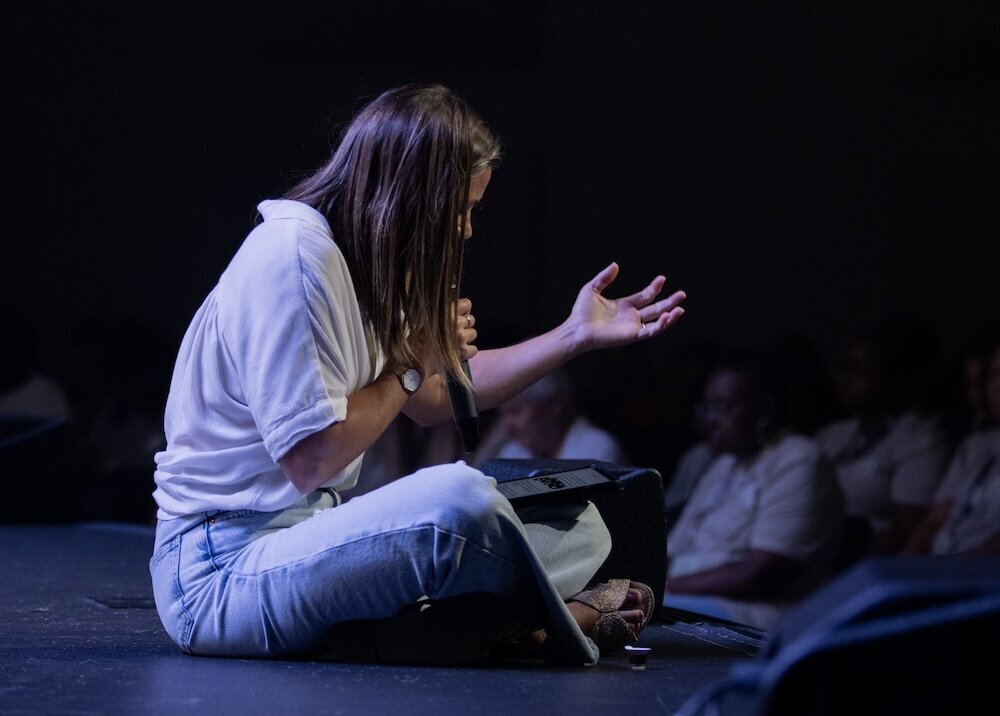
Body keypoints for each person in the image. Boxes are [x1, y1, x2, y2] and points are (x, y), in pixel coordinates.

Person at [149, 83, 687, 667]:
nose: (465, 230)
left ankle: (457, 628)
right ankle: (543, 626)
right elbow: (311, 459)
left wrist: (572, 336)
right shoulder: (294, 259)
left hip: (312, 540)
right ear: (410, 195)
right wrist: (410, 362)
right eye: (461, 209)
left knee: (581, 526)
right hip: (220, 572)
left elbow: (435, 398)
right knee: (457, 497)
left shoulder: (366, 259)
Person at [662, 349, 845, 631]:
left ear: (765, 408)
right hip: (687, 598)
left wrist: (661, 588)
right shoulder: (724, 463)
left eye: (723, 408)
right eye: (708, 407)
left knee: (646, 615)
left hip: (757, 615)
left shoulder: (799, 459)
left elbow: (762, 573)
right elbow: (672, 550)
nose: (710, 420)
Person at [814, 315, 951, 556]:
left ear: (892, 378)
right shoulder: (832, 434)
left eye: (859, 371)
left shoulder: (919, 440)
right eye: (844, 368)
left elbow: (909, 532)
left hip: (859, 566)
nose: (845, 379)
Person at [902, 336, 1000, 556]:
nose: (996, 385)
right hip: (942, 566)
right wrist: (901, 566)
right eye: (994, 374)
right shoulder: (976, 445)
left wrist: (955, 570)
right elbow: (936, 517)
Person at [470, 366, 630, 467]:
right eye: (502, 414)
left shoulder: (597, 448)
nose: (507, 425)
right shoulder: (513, 451)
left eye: (515, 411)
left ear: (554, 404)